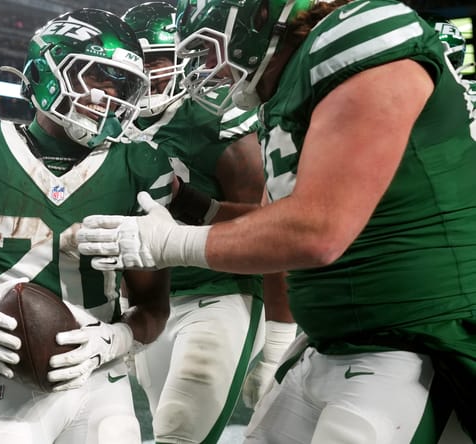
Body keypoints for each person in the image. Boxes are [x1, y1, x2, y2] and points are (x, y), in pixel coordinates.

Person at [78, 0, 476, 441]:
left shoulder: (357, 33)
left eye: (210, 48)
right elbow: (274, 221)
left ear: (258, 16)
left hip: (413, 341)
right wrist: (192, 203)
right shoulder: (285, 90)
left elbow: (316, 229)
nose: (210, 67)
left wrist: (171, 243)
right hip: (335, 341)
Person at [0, 9, 174, 443]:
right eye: (95, 77)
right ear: (48, 71)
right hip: (1, 383)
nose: (106, 96)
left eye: (118, 85)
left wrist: (113, 340)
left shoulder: (138, 166)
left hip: (100, 382)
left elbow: (154, 309)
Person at [120, 3, 295, 442]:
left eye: (157, 61)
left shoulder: (216, 115)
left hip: (219, 294)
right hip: (149, 305)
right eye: (135, 65)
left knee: (180, 430)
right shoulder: (109, 128)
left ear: (183, 59)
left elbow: (270, 225)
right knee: (165, 427)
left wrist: (279, 332)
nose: (146, 75)